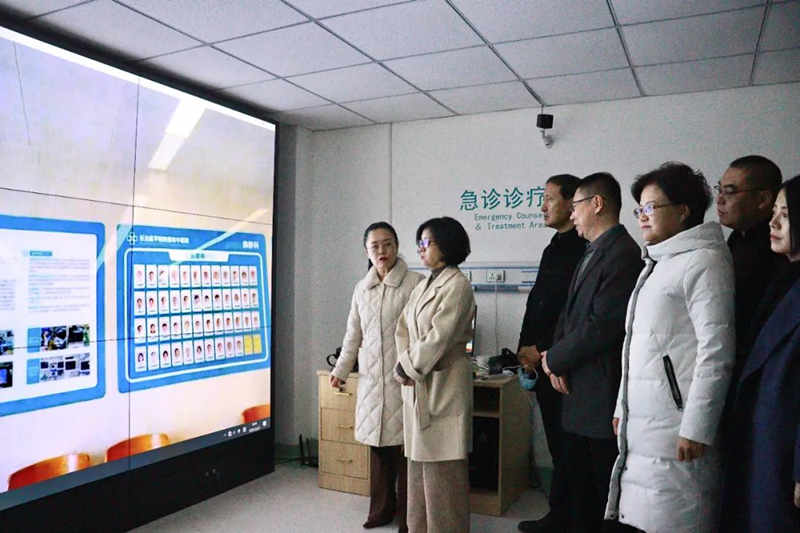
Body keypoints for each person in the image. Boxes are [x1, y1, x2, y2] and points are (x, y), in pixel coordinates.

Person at [605, 163, 735, 532]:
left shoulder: (704, 262)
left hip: (676, 426)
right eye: (639, 209)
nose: (642, 217)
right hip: (647, 422)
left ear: (683, 210)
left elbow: (717, 350)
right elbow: (639, 350)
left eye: (651, 207)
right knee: (645, 514)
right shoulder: (658, 263)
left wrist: (697, 426)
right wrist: (621, 406)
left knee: (675, 514)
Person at [540, 173, 642, 533]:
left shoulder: (623, 254)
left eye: (576, 206)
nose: (572, 214)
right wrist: (554, 360)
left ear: (596, 204)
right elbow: (568, 316)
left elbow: (602, 326)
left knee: (599, 492)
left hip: (599, 390)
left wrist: (554, 359)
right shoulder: (593, 250)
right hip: (577, 386)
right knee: (578, 486)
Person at [330, 222, 423, 532]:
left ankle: (410, 518)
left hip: (404, 378)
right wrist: (341, 369)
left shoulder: (415, 283)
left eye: (387, 244)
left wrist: (414, 367)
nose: (382, 251)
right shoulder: (362, 288)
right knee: (379, 448)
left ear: (397, 246)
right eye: (375, 246)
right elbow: (353, 334)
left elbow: (423, 333)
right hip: (372, 380)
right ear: (366, 251)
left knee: (407, 452)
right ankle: (382, 510)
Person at [721, 174, 800, 532]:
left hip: (785, 446)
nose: (774, 222)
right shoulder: (782, 276)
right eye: (775, 213)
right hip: (765, 435)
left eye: (786, 214)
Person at [394, 216, 475, 533]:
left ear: (446, 245)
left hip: (445, 385)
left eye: (426, 242)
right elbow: (402, 328)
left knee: (443, 476)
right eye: (420, 243)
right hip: (418, 383)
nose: (421, 249)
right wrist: (405, 363)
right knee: (418, 474)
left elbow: (439, 337)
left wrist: (408, 366)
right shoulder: (424, 284)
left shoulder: (458, 285)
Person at [517, 174, 587, 533]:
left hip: (565, 365)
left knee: (572, 449)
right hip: (541, 363)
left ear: (572, 203)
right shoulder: (553, 247)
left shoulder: (584, 249)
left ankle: (571, 519)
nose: (542, 206)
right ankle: (559, 516)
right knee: (558, 447)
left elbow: (572, 314)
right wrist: (524, 348)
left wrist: (544, 350)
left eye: (549, 199)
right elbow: (539, 303)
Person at [716, 155, 784, 366]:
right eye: (719, 190)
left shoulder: (777, 247)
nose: (719, 200)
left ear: (763, 200)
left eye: (729, 192)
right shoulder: (737, 238)